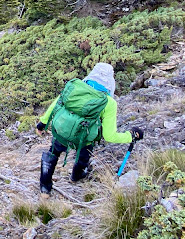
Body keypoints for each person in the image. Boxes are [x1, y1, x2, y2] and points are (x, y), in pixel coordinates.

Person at [35, 63, 143, 196]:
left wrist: (42, 123)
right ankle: (77, 175)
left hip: (61, 130)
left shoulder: (74, 86)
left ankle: (45, 188)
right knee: (85, 151)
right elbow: (109, 136)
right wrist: (130, 136)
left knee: (54, 152)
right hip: (84, 137)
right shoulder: (108, 103)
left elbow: (55, 105)